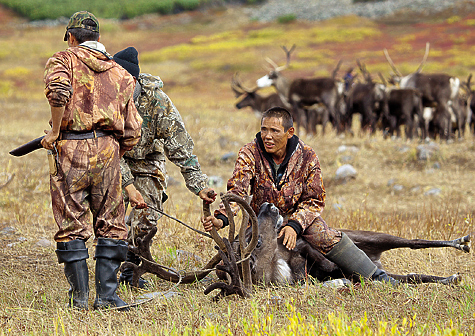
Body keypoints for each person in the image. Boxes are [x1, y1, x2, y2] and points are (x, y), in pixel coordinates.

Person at [201, 106, 398, 285]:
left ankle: (378, 277)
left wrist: (294, 226)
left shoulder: (307, 156)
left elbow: (314, 200)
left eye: (274, 131)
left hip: (300, 218)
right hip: (263, 220)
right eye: (264, 129)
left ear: (289, 132)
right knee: (234, 256)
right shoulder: (249, 153)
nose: (267, 136)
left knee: (325, 235)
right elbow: (238, 191)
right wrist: (221, 218)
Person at [41, 11, 143, 310]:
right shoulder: (121, 73)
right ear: (98, 39)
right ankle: (108, 297)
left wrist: (57, 131)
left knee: (71, 222)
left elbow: (58, 93)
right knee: (112, 223)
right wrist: (112, 150)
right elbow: (133, 128)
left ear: (71, 37)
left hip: (70, 148)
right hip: (110, 151)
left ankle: (81, 298)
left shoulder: (63, 59)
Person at [112, 47, 216, 288]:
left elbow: (181, 147)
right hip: (113, 159)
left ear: (134, 80)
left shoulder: (159, 103)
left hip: (148, 160)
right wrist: (128, 187)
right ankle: (108, 269)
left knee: (147, 218)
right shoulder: (105, 99)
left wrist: (199, 186)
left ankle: (131, 270)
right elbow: (108, 151)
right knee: (110, 214)